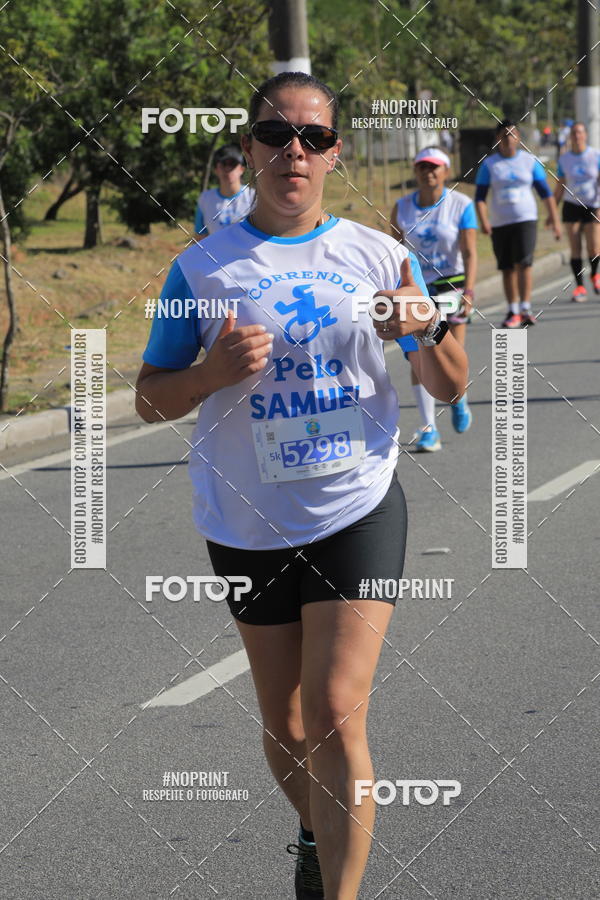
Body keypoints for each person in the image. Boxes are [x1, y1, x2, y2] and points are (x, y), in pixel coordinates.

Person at [136, 71, 468, 900]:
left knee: (331, 711)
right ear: (248, 150)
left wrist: (422, 331)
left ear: (334, 155)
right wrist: (209, 372)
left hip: (356, 504)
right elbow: (149, 395)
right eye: (277, 136)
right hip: (245, 521)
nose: (295, 152)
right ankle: (319, 833)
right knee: (285, 727)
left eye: (313, 139)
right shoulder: (199, 269)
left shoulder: (378, 254)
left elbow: (452, 383)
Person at [391, 146, 477, 451]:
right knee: (419, 357)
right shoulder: (401, 207)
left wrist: (469, 290)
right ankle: (428, 428)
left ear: (446, 171)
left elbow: (469, 251)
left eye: (434, 167)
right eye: (422, 167)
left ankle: (458, 396)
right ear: (415, 171)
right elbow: (394, 253)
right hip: (419, 289)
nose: (428, 173)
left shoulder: (461, 204)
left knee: (451, 352)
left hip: (453, 285)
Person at [475, 120, 561, 328]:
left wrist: (554, 219)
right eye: (504, 136)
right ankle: (512, 309)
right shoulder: (489, 165)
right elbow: (480, 197)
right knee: (506, 267)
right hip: (500, 222)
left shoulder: (529, 161)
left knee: (524, 263)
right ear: (497, 140)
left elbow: (545, 194)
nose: (508, 139)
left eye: (512, 135)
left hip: (526, 219)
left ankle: (525, 308)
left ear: (519, 138)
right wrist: (484, 221)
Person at [553, 122, 600, 301]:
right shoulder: (564, 159)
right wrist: (552, 212)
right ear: (570, 136)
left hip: (592, 205)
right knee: (575, 248)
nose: (577, 136)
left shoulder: (595, 155)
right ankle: (580, 287)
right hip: (571, 205)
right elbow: (560, 186)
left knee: (594, 247)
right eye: (574, 133)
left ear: (585, 135)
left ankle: (595, 274)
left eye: (580, 133)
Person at [194, 144, 255, 238]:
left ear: (241, 169)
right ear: (216, 170)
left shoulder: (254, 197)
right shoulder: (205, 199)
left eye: (232, 164)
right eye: (223, 164)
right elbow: (200, 237)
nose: (227, 169)